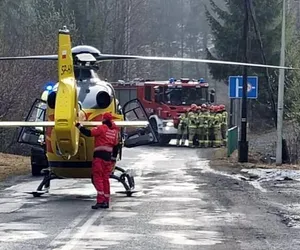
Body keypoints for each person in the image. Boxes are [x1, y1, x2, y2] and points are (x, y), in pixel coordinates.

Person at [76, 112, 119, 209]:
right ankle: (106, 201)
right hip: (108, 158)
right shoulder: (114, 131)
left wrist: (78, 126)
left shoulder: (102, 128)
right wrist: (113, 160)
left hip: (99, 158)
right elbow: (116, 146)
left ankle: (100, 200)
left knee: (97, 178)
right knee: (105, 179)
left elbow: (89, 133)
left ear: (104, 119)